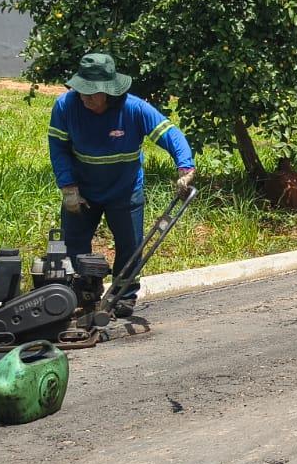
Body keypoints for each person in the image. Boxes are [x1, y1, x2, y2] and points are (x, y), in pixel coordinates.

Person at [47, 52, 195, 318]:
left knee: (129, 245)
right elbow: (57, 148)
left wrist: (185, 167)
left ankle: (123, 295)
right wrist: (68, 187)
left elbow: (170, 133)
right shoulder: (66, 106)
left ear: (109, 92)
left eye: (92, 93)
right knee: (74, 244)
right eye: (82, 90)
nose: (85, 97)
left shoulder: (134, 108)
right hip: (82, 189)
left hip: (125, 191)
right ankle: (83, 293)